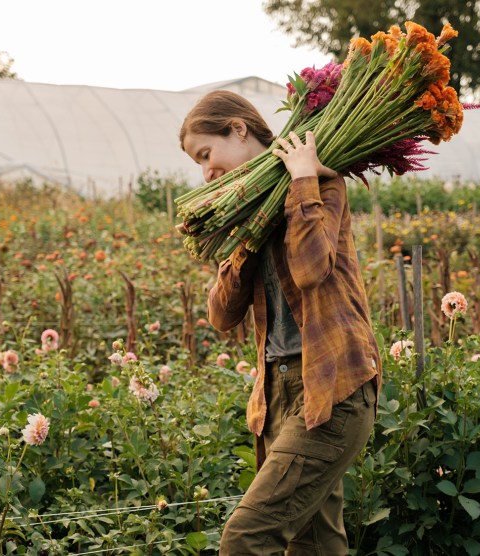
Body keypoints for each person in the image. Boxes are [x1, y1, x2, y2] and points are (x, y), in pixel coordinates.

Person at [179, 90, 382, 554]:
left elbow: (311, 269)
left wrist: (304, 180)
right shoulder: (248, 208)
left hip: (333, 385)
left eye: (206, 154)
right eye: (197, 163)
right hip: (278, 393)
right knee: (314, 545)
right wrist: (244, 238)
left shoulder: (324, 184)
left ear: (238, 129)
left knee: (247, 539)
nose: (205, 172)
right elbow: (222, 314)